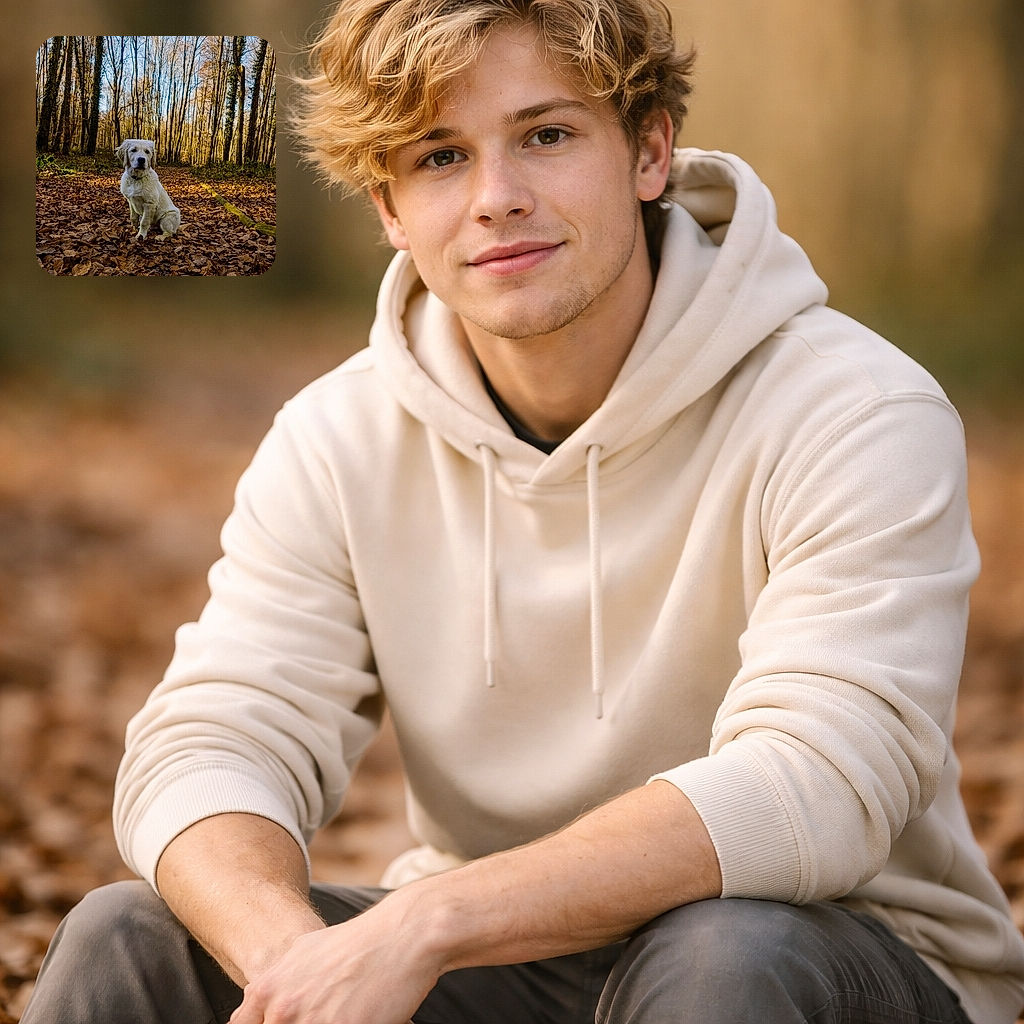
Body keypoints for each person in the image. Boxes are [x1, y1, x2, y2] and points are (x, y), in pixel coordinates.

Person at [22, 1, 1024, 1022]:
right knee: (127, 939)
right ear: (388, 209)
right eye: (440, 157)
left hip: (828, 952)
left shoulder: (852, 406)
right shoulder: (337, 438)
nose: (497, 198)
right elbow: (213, 735)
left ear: (648, 150)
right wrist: (291, 965)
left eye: (546, 135)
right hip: (503, 967)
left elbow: (818, 781)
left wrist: (428, 922)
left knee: (726, 954)